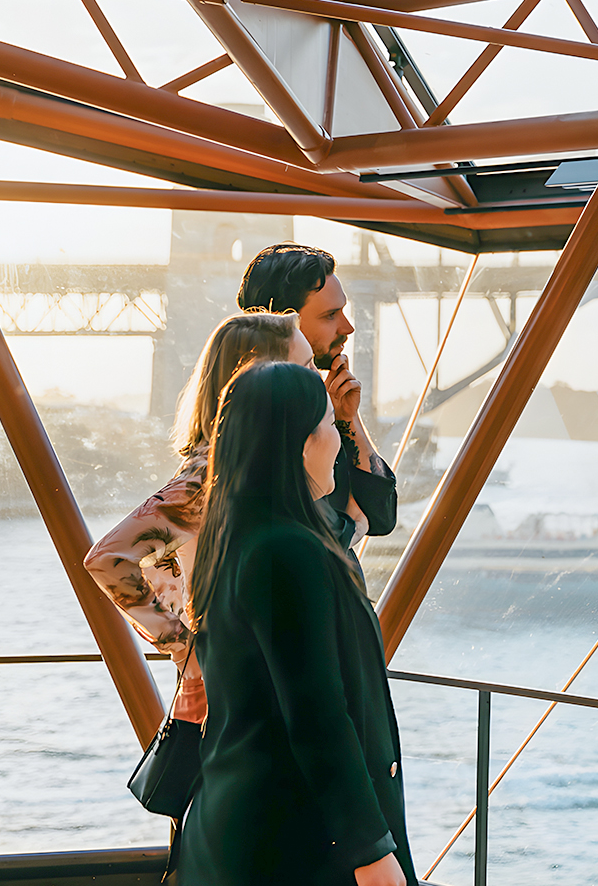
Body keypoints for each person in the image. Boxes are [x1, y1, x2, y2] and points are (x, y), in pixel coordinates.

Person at [180, 360, 413, 886]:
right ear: (301, 443)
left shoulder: (237, 536)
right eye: (331, 425)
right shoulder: (286, 550)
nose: (339, 440)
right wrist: (371, 851)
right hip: (295, 838)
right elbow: (317, 713)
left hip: (244, 827)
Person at [85, 311, 310, 722]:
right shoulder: (211, 475)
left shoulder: (244, 466)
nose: (316, 380)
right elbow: (107, 560)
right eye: (306, 367)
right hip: (225, 697)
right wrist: (186, 650)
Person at [238, 242, 394, 556]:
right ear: (282, 322)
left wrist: (347, 417)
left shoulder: (320, 408)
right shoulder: (254, 419)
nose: (348, 327)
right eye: (330, 315)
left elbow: (381, 516)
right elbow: (293, 539)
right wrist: (351, 524)